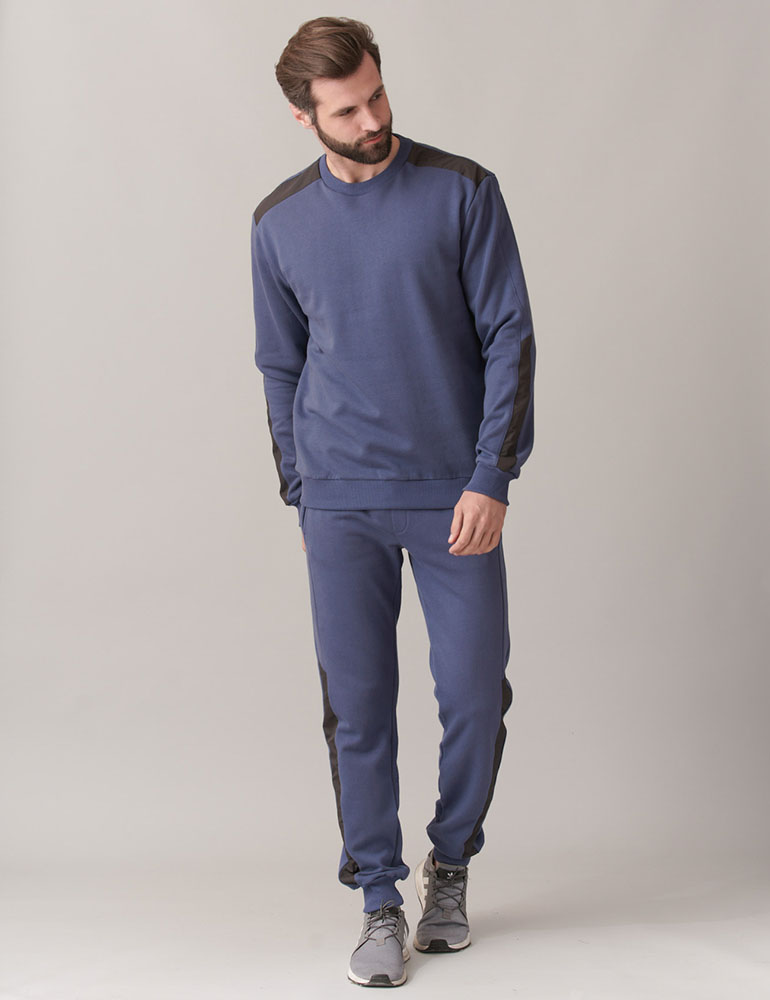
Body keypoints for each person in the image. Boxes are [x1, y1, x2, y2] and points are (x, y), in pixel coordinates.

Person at [250, 16, 536, 988]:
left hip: (453, 493)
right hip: (340, 501)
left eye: (376, 94)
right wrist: (304, 494)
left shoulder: (462, 190)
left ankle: (448, 863)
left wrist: (491, 474)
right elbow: (279, 364)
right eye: (346, 110)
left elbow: (509, 334)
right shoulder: (278, 223)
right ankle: (378, 893)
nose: (372, 119)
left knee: (474, 693)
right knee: (358, 707)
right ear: (304, 118)